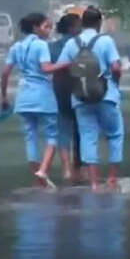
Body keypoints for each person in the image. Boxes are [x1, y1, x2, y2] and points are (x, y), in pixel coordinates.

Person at [56, 6, 125, 192]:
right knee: (115, 134)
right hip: (106, 96)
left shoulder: (72, 43)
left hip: (80, 98)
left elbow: (60, 67)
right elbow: (116, 68)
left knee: (88, 137)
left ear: (82, 23)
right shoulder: (106, 41)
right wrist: (116, 81)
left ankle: (94, 184)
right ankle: (111, 179)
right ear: (99, 23)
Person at [1, 13, 71, 187]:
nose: (49, 30)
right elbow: (46, 68)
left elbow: (5, 73)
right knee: (52, 135)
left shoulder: (16, 47)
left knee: (30, 136)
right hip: (43, 97)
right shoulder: (41, 45)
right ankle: (43, 170)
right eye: (46, 26)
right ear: (36, 28)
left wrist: (3, 97)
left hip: (23, 97)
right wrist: (66, 63)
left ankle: (38, 177)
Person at [46, 13, 83, 182]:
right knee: (81, 129)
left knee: (63, 129)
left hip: (60, 89)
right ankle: (78, 167)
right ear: (72, 27)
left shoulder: (51, 47)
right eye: (79, 25)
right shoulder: (81, 44)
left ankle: (66, 168)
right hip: (79, 89)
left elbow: (47, 68)